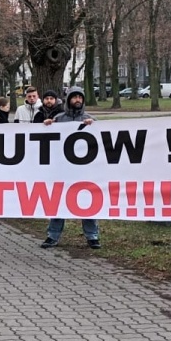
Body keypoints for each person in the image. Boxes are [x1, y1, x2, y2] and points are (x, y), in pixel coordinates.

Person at [39, 87, 100, 250]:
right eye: (75, 97)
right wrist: (47, 126)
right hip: (63, 170)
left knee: (88, 203)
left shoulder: (90, 119)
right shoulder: (59, 119)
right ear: (69, 100)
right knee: (58, 202)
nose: (78, 100)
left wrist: (93, 126)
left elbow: (101, 142)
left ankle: (92, 236)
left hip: (84, 170)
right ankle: (53, 236)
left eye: (80, 97)